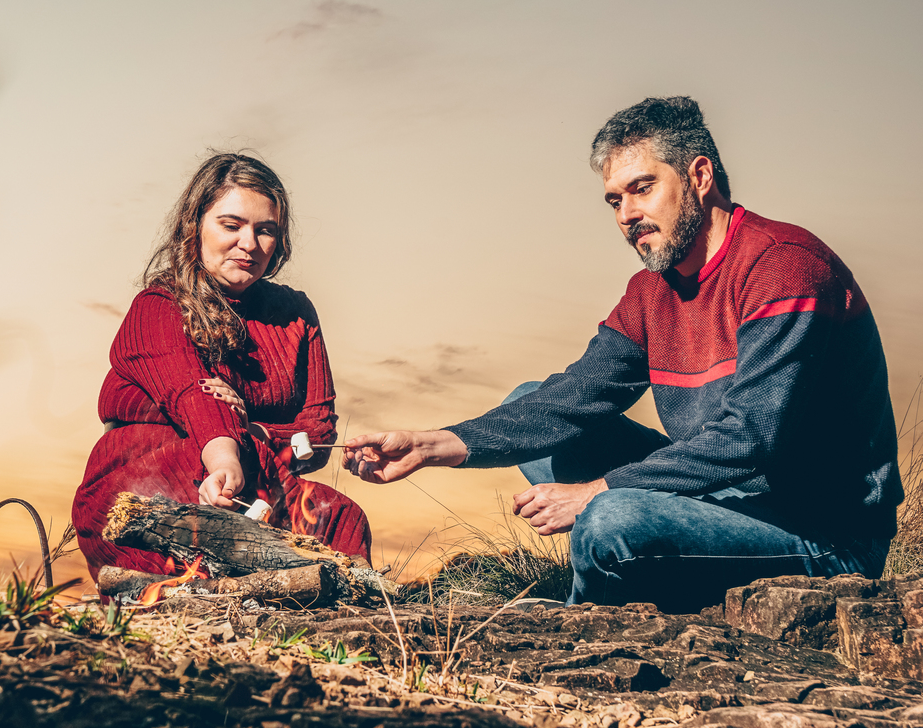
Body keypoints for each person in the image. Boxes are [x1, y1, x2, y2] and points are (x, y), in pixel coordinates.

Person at [342, 97, 902, 614]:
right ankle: (647, 569)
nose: (626, 214)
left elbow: (749, 437)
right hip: (721, 499)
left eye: (642, 188)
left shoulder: (783, 265)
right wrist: (431, 444)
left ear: (699, 177)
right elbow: (571, 399)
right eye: (615, 200)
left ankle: (582, 628)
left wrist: (596, 492)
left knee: (611, 519)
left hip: (825, 535)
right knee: (532, 403)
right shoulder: (651, 291)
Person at [73, 153, 371, 585]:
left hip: (261, 473)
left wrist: (255, 431)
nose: (249, 244)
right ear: (194, 228)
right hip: (148, 475)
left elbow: (319, 432)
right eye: (231, 226)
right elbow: (194, 394)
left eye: (265, 230)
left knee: (341, 519)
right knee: (196, 527)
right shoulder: (158, 306)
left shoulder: (295, 315)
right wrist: (225, 457)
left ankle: (329, 628)